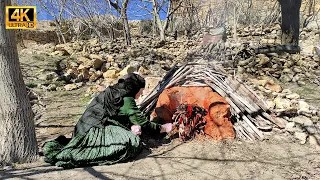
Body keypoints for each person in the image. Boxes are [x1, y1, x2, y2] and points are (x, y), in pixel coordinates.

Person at [43, 73, 172, 169]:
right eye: (141, 91)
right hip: (93, 131)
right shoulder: (127, 99)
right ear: (135, 89)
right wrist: (163, 128)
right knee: (132, 142)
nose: (141, 95)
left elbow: (117, 115)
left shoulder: (113, 91)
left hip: (81, 129)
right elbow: (142, 122)